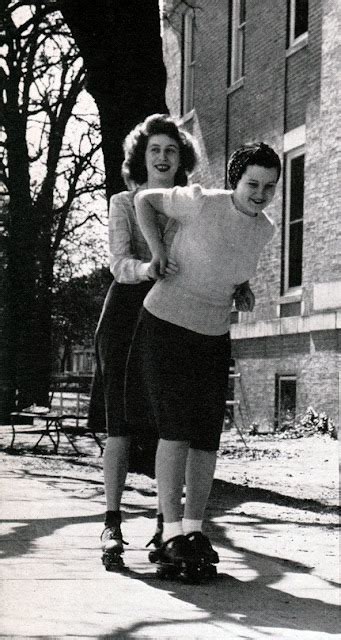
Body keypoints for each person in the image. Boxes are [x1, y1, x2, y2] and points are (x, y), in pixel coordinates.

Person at [133, 141, 281, 577]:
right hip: (166, 324)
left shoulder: (266, 229)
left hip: (213, 333)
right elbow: (144, 200)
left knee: (206, 438)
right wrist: (158, 251)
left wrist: (242, 288)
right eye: (253, 183)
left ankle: (193, 530)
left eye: (269, 187)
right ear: (236, 179)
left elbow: (228, 265)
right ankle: (169, 533)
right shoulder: (200, 202)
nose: (260, 194)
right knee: (176, 432)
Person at [87, 113, 199, 569]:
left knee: (166, 424)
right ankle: (112, 522)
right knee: (121, 424)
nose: (162, 157)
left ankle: (163, 524)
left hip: (171, 315)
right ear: (142, 156)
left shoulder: (191, 205)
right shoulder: (122, 201)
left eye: (171, 150)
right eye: (154, 150)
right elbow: (117, 261)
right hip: (126, 314)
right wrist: (146, 267)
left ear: (181, 159)